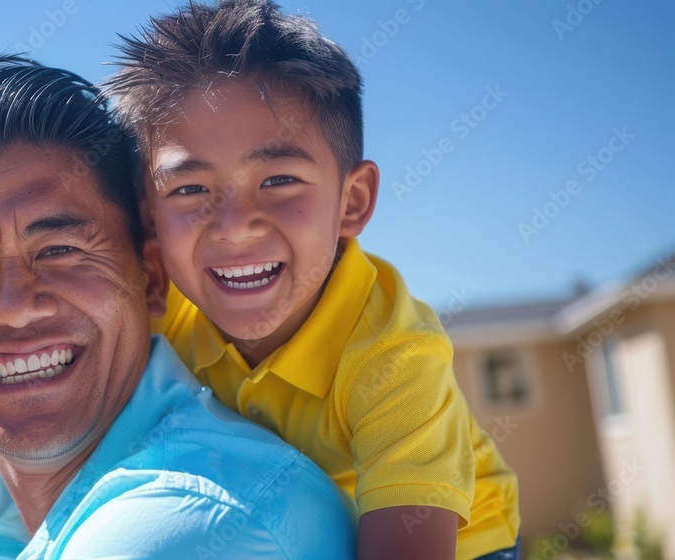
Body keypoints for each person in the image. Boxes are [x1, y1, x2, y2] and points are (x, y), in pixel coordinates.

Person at [0, 55, 356, 559]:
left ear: (151, 276)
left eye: (60, 251)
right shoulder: (4, 510)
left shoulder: (184, 523)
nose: (15, 306)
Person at [103, 1, 521, 559]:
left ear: (352, 201)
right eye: (190, 189)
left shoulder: (393, 359)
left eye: (278, 179)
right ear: (149, 217)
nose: (235, 227)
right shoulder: (160, 301)